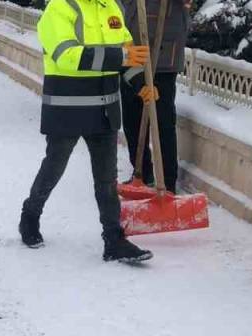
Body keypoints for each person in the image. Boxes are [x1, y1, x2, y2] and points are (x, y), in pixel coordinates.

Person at [17, 0, 155, 263]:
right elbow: (67, 56)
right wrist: (122, 57)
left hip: (105, 107)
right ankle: (31, 214)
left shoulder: (112, 7)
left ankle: (114, 239)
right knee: (54, 167)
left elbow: (127, 54)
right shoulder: (59, 8)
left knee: (107, 179)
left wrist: (139, 83)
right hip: (68, 106)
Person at [120, 0, 190, 192]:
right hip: (130, 50)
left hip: (164, 55)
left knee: (163, 123)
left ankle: (167, 184)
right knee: (132, 122)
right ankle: (141, 174)